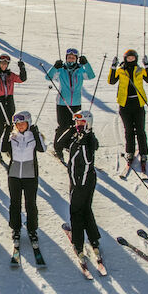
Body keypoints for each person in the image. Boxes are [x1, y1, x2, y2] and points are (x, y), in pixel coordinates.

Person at [0, 109, 45, 250]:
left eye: (22, 123)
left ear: (28, 122)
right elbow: (2, 148)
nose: (20, 126)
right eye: (17, 124)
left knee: (30, 203)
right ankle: (16, 229)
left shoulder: (33, 135)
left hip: (30, 175)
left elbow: (42, 149)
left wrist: (36, 134)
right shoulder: (13, 136)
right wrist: (6, 132)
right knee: (15, 203)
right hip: (14, 175)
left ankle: (32, 230)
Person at [58, 110, 101, 261]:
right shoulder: (77, 136)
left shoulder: (88, 139)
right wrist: (70, 129)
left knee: (76, 211)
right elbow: (59, 144)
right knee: (85, 208)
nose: (78, 125)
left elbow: (88, 159)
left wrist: (84, 141)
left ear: (88, 123)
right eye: (77, 122)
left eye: (81, 122)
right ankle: (94, 237)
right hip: (78, 180)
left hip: (82, 182)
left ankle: (78, 242)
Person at [109, 48, 148, 173]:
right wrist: (113, 67)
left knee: (140, 130)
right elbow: (111, 81)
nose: (131, 59)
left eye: (133, 57)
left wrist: (147, 65)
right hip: (125, 104)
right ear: (125, 58)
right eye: (129, 58)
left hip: (138, 104)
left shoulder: (139, 70)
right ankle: (129, 151)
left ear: (136, 58)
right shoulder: (120, 70)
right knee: (128, 130)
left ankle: (144, 153)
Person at [46, 49, 95, 146]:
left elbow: (91, 76)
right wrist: (55, 67)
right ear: (66, 59)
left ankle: (70, 145)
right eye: (69, 58)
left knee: (75, 125)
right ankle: (58, 146)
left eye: (73, 58)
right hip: (62, 103)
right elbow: (48, 77)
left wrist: (86, 64)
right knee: (63, 126)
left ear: (76, 59)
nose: (70, 60)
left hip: (76, 103)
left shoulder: (80, 70)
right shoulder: (60, 70)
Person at [0, 53, 27, 160]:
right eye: (2, 63)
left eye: (6, 63)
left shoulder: (10, 75)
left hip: (9, 103)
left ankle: (5, 147)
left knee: (10, 127)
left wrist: (22, 68)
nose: (4, 65)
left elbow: (22, 79)